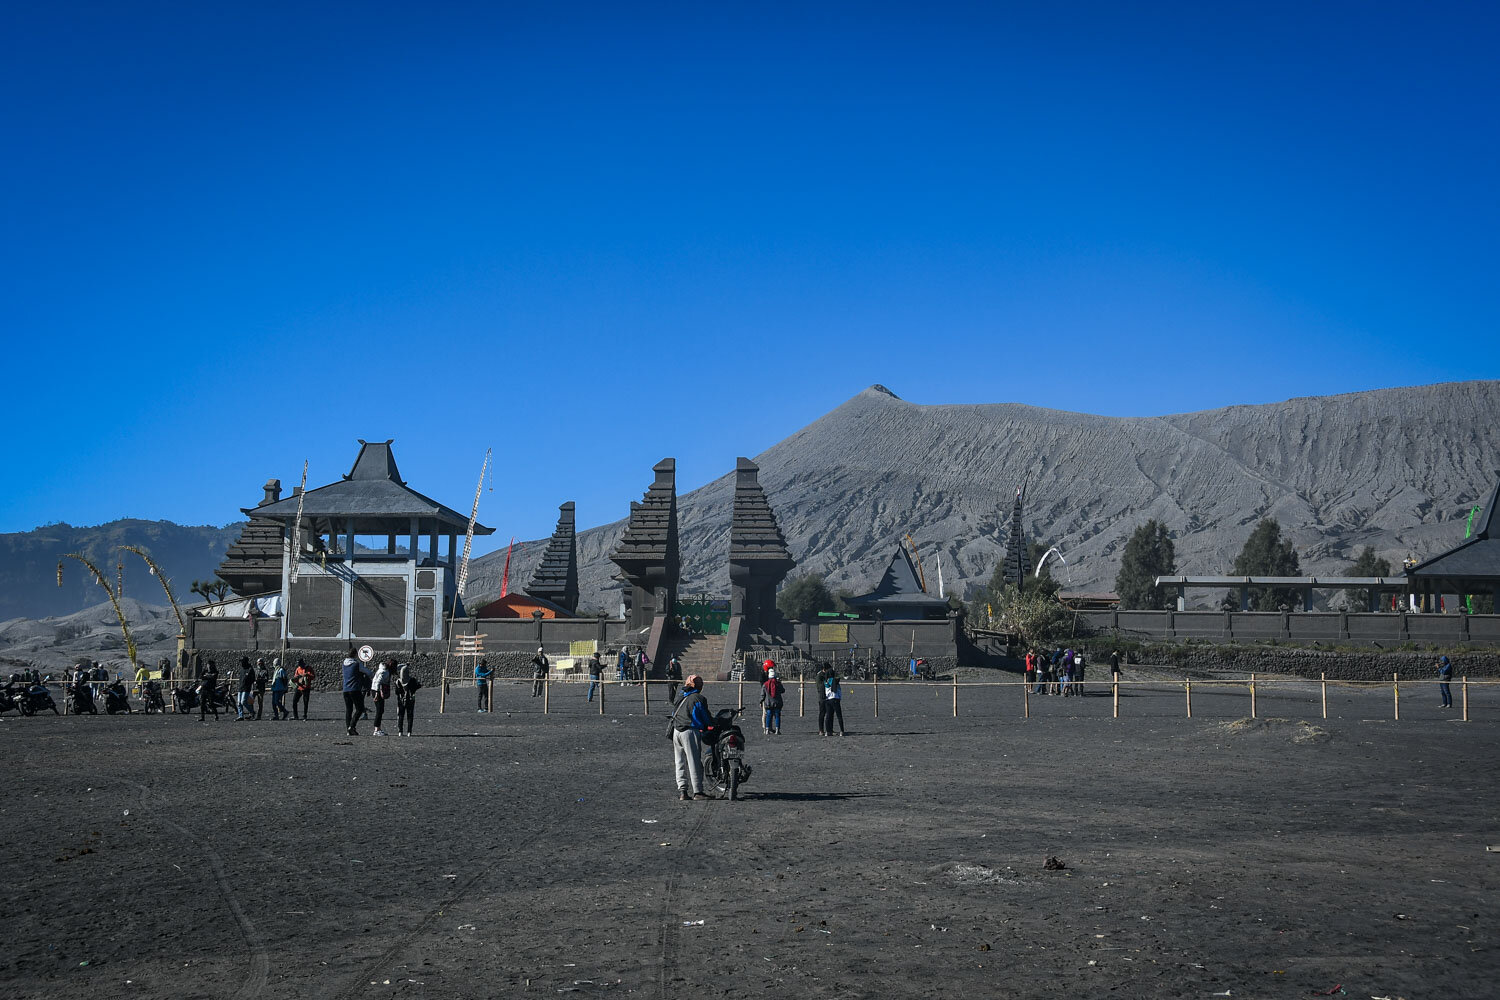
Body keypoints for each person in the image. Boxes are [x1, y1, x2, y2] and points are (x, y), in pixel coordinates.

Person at [669, 674, 712, 800]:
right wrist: (711, 724)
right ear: (699, 686)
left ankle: (683, 791)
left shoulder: (680, 696)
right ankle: (698, 792)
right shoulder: (698, 698)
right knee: (694, 761)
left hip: (676, 731)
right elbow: (705, 717)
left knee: (680, 762)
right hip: (689, 731)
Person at [342, 647, 369, 736]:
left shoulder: (344, 663)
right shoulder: (356, 664)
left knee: (349, 710)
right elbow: (368, 672)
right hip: (354, 689)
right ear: (355, 655)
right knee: (360, 708)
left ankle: (348, 730)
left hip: (345, 689)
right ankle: (351, 726)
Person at [395, 662, 422, 736]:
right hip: (410, 700)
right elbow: (418, 686)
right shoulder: (412, 680)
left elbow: (396, 692)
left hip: (401, 700)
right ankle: (409, 732)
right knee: (410, 716)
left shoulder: (398, 681)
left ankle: (400, 731)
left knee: (400, 715)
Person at [370, 658, 392, 735]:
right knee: (379, 710)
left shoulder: (382, 669)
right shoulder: (385, 672)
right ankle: (376, 730)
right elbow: (378, 682)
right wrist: (376, 693)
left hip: (376, 690)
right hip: (377, 690)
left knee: (381, 710)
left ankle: (378, 728)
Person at [760, 663, 784, 735]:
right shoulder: (777, 684)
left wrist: (761, 701)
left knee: (768, 715)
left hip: (768, 703)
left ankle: (767, 729)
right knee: (777, 716)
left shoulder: (765, 684)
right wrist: (780, 682)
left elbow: (762, 694)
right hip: (777, 702)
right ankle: (777, 730)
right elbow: (783, 690)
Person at [822, 670, 845, 736]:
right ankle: (841, 731)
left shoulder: (825, 681)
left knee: (828, 716)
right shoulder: (834, 680)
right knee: (839, 716)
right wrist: (839, 697)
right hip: (835, 698)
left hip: (827, 699)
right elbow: (838, 689)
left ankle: (827, 731)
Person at [816, 661, 834, 735]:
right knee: (822, 713)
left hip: (830, 696)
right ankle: (821, 729)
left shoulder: (829, 674)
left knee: (830, 713)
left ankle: (830, 729)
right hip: (823, 696)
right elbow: (820, 687)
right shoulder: (820, 676)